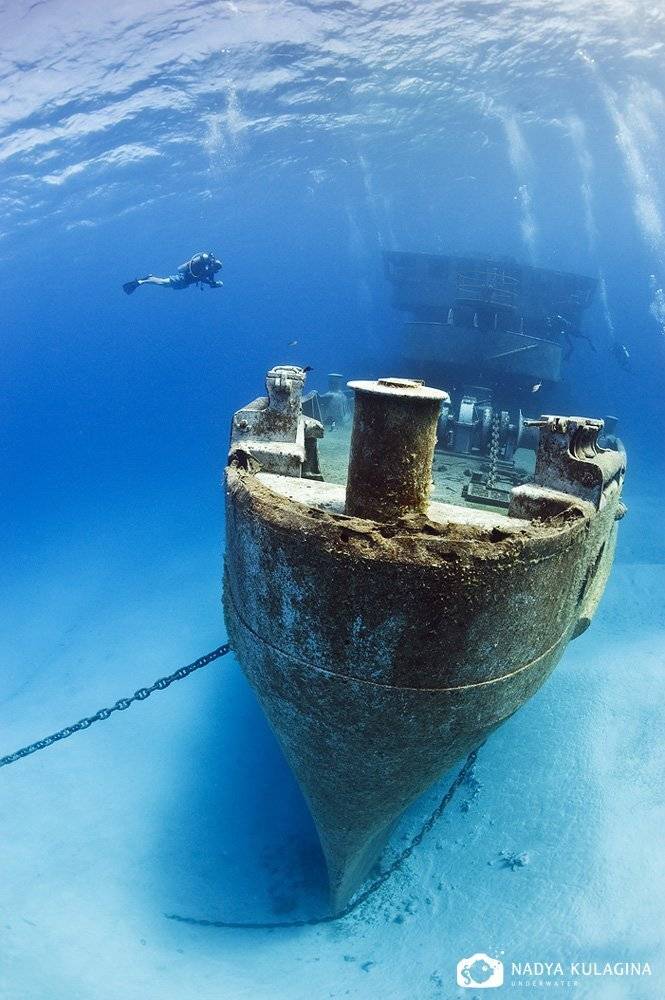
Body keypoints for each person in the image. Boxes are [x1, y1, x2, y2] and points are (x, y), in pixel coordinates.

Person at [123, 251, 223, 294]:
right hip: (182, 278)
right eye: (216, 268)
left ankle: (149, 278)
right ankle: (143, 281)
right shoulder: (205, 269)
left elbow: (206, 280)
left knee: (165, 284)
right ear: (213, 265)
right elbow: (201, 278)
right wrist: (212, 283)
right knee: (164, 283)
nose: (215, 271)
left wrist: (214, 283)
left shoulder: (209, 272)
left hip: (184, 282)